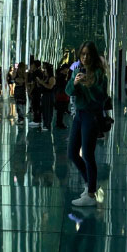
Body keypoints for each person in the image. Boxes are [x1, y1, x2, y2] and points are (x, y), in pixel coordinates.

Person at [66, 41, 108, 207]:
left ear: (93, 56)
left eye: (88, 54)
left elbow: (101, 98)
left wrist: (89, 85)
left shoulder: (99, 75)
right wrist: (75, 83)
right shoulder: (77, 71)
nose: (85, 57)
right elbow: (68, 91)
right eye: (82, 54)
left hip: (92, 116)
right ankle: (90, 183)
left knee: (88, 155)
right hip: (79, 115)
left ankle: (91, 194)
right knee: (72, 153)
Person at [38, 62, 56, 131]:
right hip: (44, 95)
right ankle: (45, 123)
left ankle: (47, 124)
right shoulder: (46, 78)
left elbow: (50, 87)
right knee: (44, 110)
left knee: (48, 110)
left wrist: (42, 83)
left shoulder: (51, 78)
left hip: (49, 96)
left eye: (45, 70)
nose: (44, 72)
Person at [27, 59, 43, 128]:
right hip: (38, 91)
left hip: (35, 91)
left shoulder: (35, 73)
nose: (31, 66)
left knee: (35, 105)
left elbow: (33, 83)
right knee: (37, 105)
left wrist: (30, 91)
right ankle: (37, 119)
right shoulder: (39, 72)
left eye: (32, 65)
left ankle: (36, 120)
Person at [54, 64, 70, 129]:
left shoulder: (61, 75)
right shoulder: (62, 76)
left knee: (60, 110)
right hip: (61, 94)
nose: (67, 70)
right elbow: (62, 85)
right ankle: (59, 123)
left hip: (61, 94)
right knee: (60, 110)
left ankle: (59, 122)